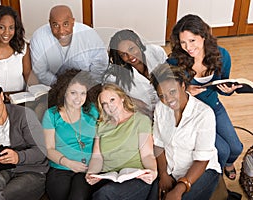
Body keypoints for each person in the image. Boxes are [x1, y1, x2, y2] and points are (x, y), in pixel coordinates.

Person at [167, 14, 243, 180]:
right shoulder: (174, 61)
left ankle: (229, 163)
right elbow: (166, 91)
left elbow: (221, 86)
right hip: (192, 112)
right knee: (222, 150)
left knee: (236, 148)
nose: (188, 47)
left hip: (213, 105)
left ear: (203, 36)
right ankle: (218, 175)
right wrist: (185, 91)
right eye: (183, 42)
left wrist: (227, 91)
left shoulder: (222, 55)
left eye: (192, 40)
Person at [150, 63, 221, 200]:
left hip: (201, 172)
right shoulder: (160, 108)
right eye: (162, 95)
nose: (168, 99)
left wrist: (180, 188)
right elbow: (158, 144)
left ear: (183, 85)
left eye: (172, 92)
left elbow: (202, 160)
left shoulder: (204, 114)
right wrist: (163, 174)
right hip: (170, 170)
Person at [85, 83, 158, 200]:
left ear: (122, 98)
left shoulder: (140, 120)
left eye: (112, 100)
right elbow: (97, 157)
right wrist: (92, 173)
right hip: (108, 176)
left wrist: (153, 172)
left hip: (135, 176)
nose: (110, 106)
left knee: (105, 194)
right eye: (105, 103)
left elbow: (147, 154)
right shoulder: (102, 125)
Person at [42, 69, 99, 200]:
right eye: (73, 93)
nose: (78, 99)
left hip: (86, 168)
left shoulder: (92, 111)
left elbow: (100, 140)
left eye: (82, 93)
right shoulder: (51, 115)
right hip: (60, 167)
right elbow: (49, 149)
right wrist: (69, 163)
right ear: (63, 92)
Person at [30, 5, 108, 86]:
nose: (61, 31)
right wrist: (63, 86)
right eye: (56, 25)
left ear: (73, 22)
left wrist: (85, 86)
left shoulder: (89, 35)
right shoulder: (38, 38)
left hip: (88, 85)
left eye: (65, 24)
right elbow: (40, 72)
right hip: (54, 87)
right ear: (50, 23)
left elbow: (100, 65)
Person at [104, 29, 167, 117]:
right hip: (143, 115)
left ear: (137, 42)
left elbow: (171, 75)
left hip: (167, 106)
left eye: (131, 49)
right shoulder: (114, 76)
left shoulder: (156, 52)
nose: (130, 56)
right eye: (123, 54)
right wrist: (129, 100)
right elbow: (108, 93)